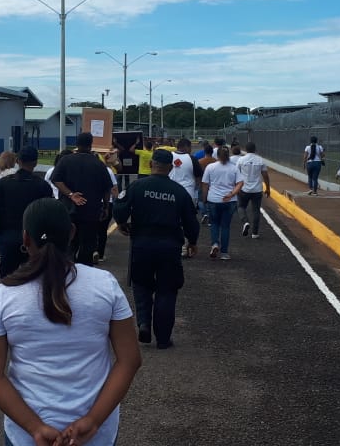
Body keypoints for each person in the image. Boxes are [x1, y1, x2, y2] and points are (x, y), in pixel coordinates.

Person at [0, 199, 142, 446]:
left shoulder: (3, 295)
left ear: (25, 239)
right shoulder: (104, 284)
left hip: (26, 435)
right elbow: (130, 360)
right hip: (95, 434)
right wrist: (94, 421)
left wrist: (35, 428)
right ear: (72, 233)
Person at [113, 149, 200, 349]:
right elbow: (190, 222)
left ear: (152, 164)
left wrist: (121, 223)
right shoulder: (179, 192)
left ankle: (144, 323)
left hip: (142, 245)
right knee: (167, 291)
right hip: (169, 248)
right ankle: (163, 338)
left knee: (141, 285)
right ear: (170, 168)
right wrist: (192, 242)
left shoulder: (138, 186)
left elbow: (119, 207)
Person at [0, 146, 53, 278]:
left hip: (7, 237)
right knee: (35, 277)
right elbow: (48, 215)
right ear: (35, 163)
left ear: (18, 161)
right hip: (34, 238)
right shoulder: (43, 186)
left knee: (7, 277)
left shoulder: (3, 184)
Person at [51, 133, 115, 266]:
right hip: (90, 211)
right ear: (91, 144)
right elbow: (107, 188)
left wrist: (70, 194)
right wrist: (106, 207)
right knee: (87, 245)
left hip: (68, 210)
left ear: (77, 144)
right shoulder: (98, 164)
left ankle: (67, 271)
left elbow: (56, 179)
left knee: (69, 243)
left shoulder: (65, 161)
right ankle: (83, 273)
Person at [201, 146, 245, 260]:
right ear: (228, 155)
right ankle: (224, 253)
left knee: (214, 224)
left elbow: (205, 184)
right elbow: (240, 183)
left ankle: (215, 244)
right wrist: (232, 193)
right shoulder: (234, 168)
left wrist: (204, 198)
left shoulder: (210, 167)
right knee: (225, 226)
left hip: (213, 199)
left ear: (218, 156)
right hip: (229, 201)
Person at [236, 142, 271, 239]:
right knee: (256, 211)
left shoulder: (241, 160)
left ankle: (245, 221)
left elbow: (236, 174)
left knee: (241, 207)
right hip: (257, 190)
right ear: (255, 149)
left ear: (246, 149)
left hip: (244, 189)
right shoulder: (260, 160)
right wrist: (268, 188)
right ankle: (255, 233)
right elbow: (265, 176)